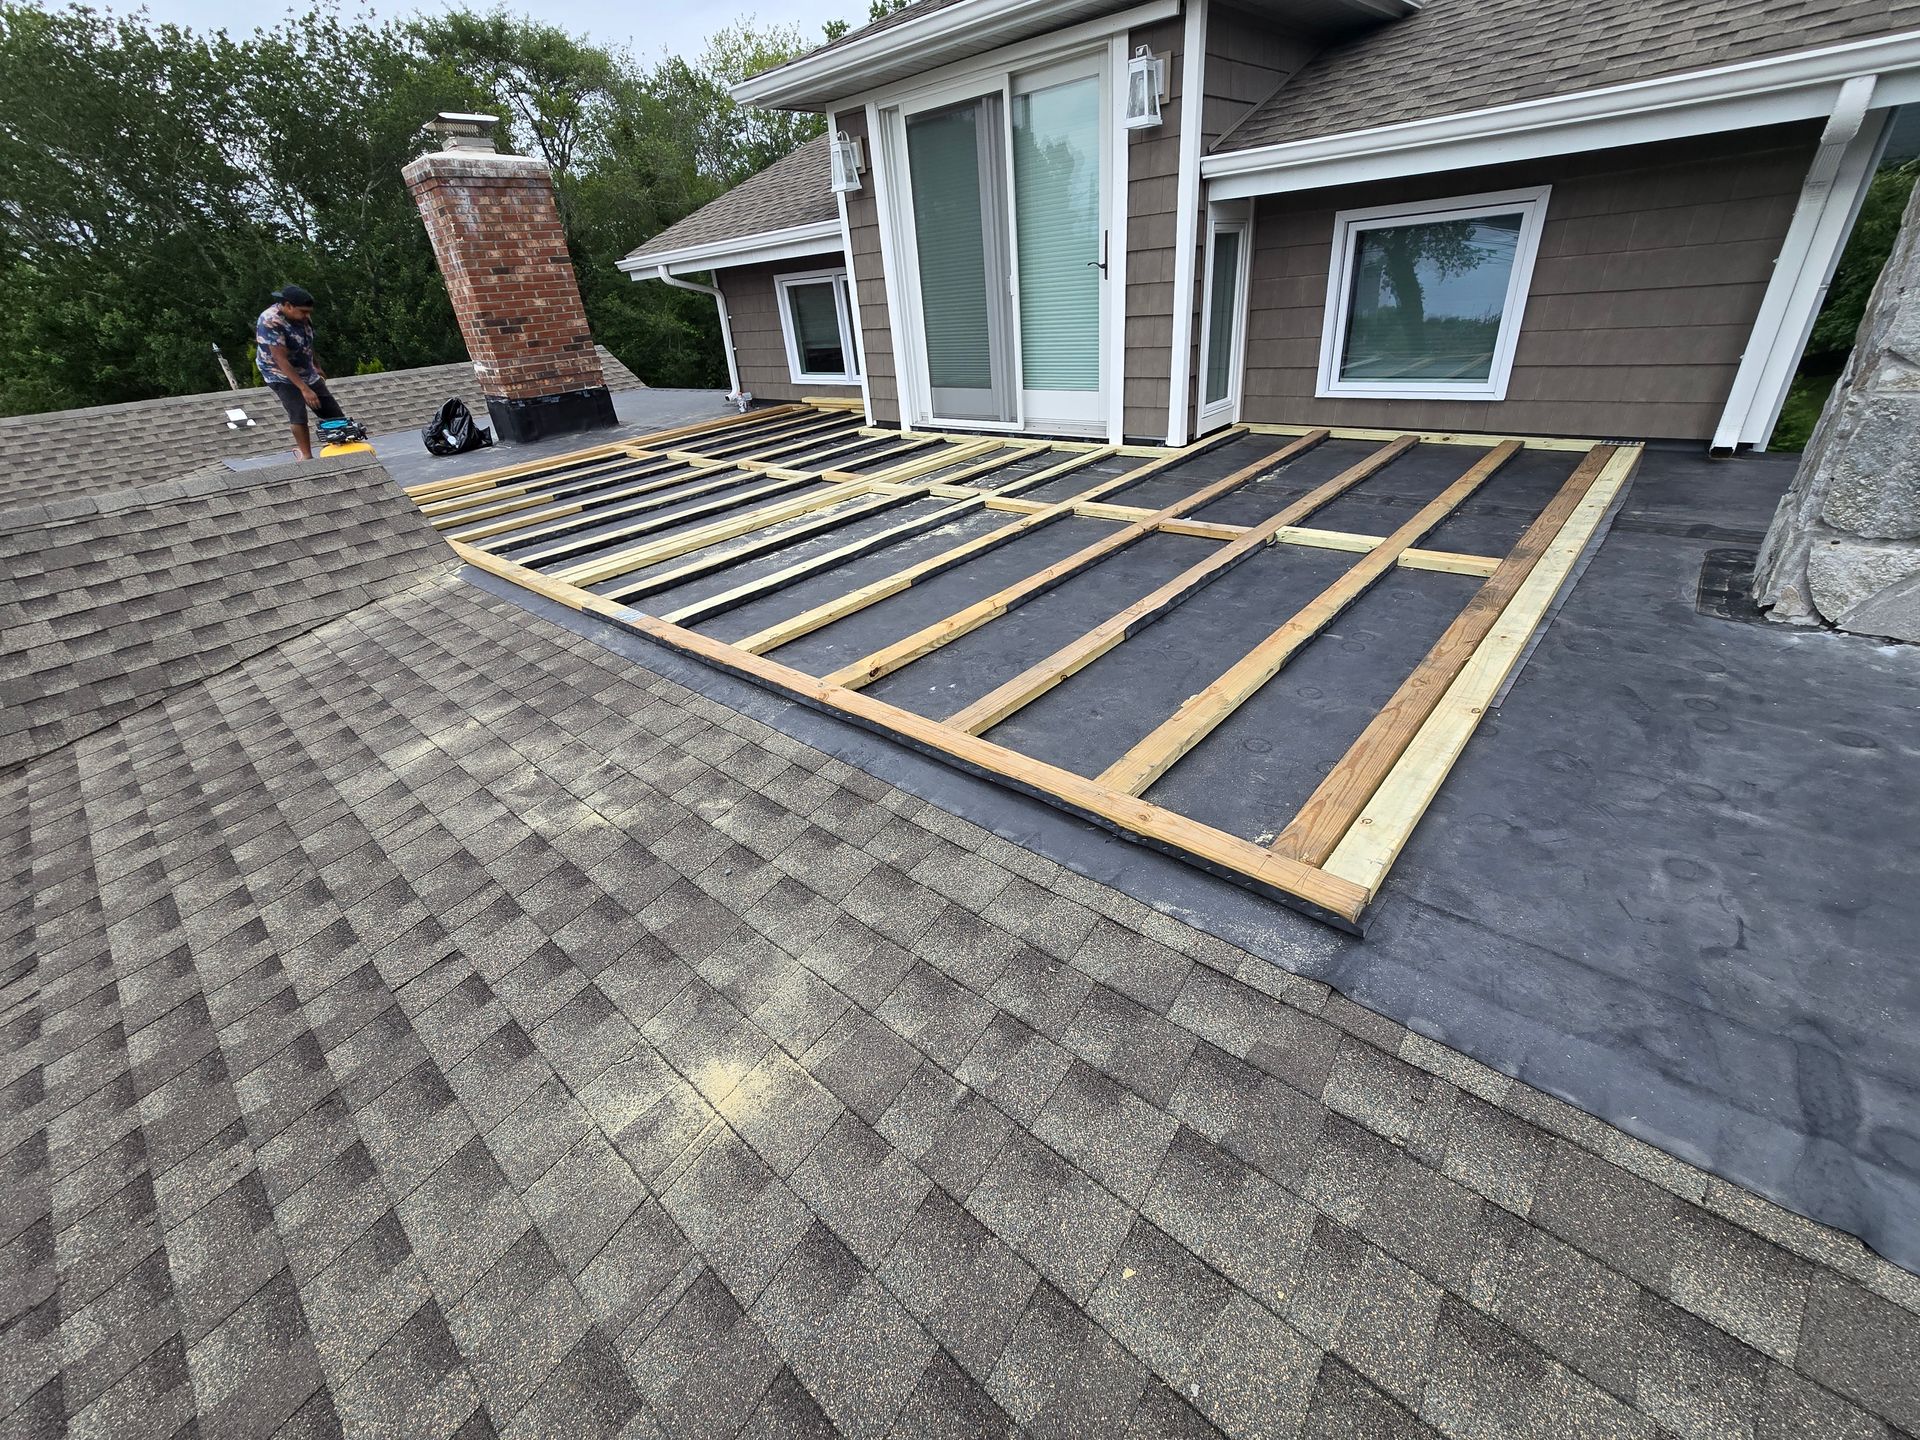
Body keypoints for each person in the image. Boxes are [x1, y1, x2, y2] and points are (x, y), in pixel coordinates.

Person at [254, 285, 343, 460]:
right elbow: (280, 360)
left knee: (332, 412)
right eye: (303, 312)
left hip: (304, 369)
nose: (306, 316)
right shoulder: (270, 320)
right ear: (288, 306)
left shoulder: (303, 318)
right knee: (298, 413)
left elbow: (307, 343)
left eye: (308, 312)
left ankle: (340, 447)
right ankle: (307, 457)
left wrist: (316, 366)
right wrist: (304, 389)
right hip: (278, 373)